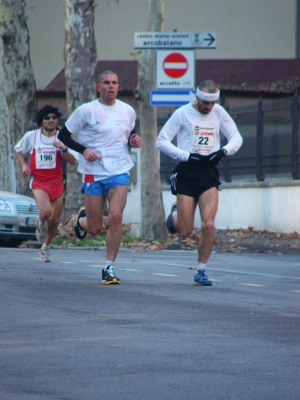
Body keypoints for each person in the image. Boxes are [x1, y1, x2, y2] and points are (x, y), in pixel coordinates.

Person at [58, 70, 142, 285]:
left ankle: (109, 268)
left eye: (114, 82)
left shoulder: (128, 110)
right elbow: (63, 135)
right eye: (106, 83)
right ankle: (83, 220)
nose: (111, 86)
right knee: (95, 229)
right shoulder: (86, 111)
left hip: (119, 169)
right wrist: (84, 150)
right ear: (98, 87)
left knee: (115, 217)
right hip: (93, 171)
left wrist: (133, 142)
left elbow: (129, 135)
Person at [156, 79, 243, 286]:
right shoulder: (182, 113)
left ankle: (201, 270)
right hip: (187, 171)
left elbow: (236, 138)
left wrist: (223, 152)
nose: (209, 107)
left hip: (208, 173)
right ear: (197, 96)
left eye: (212, 103)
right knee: (185, 231)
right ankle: (175, 216)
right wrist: (185, 155)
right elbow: (161, 140)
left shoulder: (219, 112)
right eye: (205, 102)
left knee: (209, 223)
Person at [14, 105, 77, 262]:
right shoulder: (32, 136)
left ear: (57, 120)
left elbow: (73, 161)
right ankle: (40, 221)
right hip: (39, 181)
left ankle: (46, 247)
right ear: (41, 121)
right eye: (47, 118)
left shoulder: (63, 137)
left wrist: (63, 149)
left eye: (54, 118)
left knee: (55, 219)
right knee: (46, 212)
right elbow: (18, 150)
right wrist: (23, 165)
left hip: (56, 181)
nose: (50, 120)